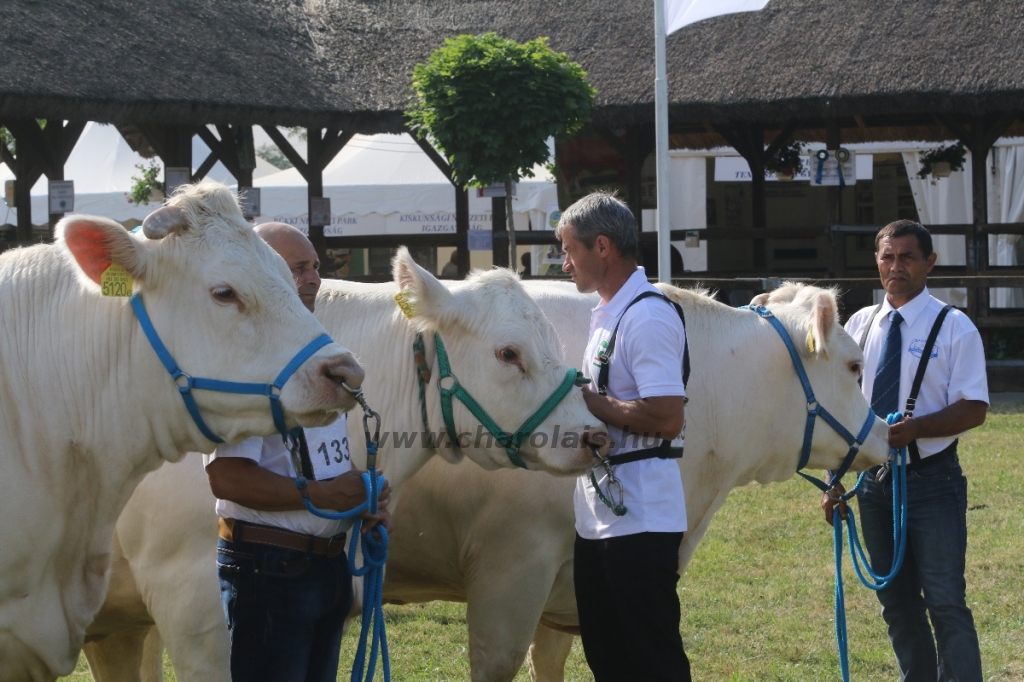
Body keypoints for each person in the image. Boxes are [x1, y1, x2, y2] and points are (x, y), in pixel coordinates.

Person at [205, 222, 392, 682]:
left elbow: (321, 457)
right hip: (270, 571)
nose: (315, 278)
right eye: (300, 268)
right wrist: (323, 495)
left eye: (315, 267)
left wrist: (360, 499)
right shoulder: (247, 359)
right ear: (265, 274)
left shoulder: (310, 351)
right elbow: (227, 477)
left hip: (320, 567)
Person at [826, 219, 988, 682]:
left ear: (929, 262)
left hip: (933, 482)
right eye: (887, 256)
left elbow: (974, 408)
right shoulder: (860, 324)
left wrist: (916, 429)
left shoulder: (955, 326)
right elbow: (844, 413)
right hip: (872, 483)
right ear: (877, 262)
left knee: (944, 600)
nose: (896, 266)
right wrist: (835, 483)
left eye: (907, 257)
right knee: (895, 601)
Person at [556, 192, 691, 681]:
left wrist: (588, 402)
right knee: (607, 654)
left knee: (650, 658)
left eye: (569, 250)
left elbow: (666, 416)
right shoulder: (612, 312)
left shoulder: (648, 315)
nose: (564, 263)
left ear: (603, 247)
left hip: (642, 517)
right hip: (600, 515)